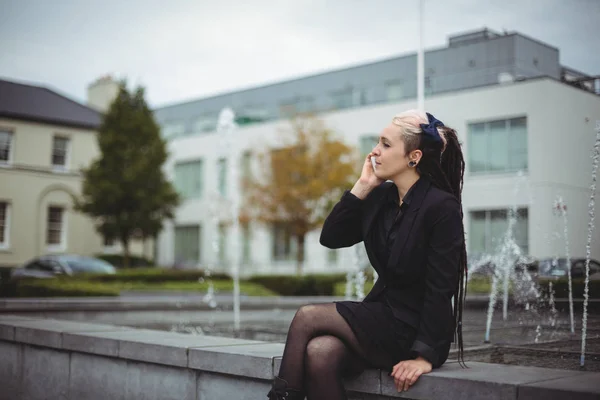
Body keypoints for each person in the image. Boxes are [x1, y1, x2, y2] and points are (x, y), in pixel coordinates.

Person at [266, 110, 468, 400]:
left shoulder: (440, 207)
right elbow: (331, 238)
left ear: (414, 156)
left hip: (412, 330)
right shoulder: (380, 198)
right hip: (380, 317)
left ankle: (282, 397)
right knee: (319, 353)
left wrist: (423, 356)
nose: (375, 151)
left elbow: (441, 288)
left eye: (385, 144)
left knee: (307, 317)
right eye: (378, 142)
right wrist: (362, 187)